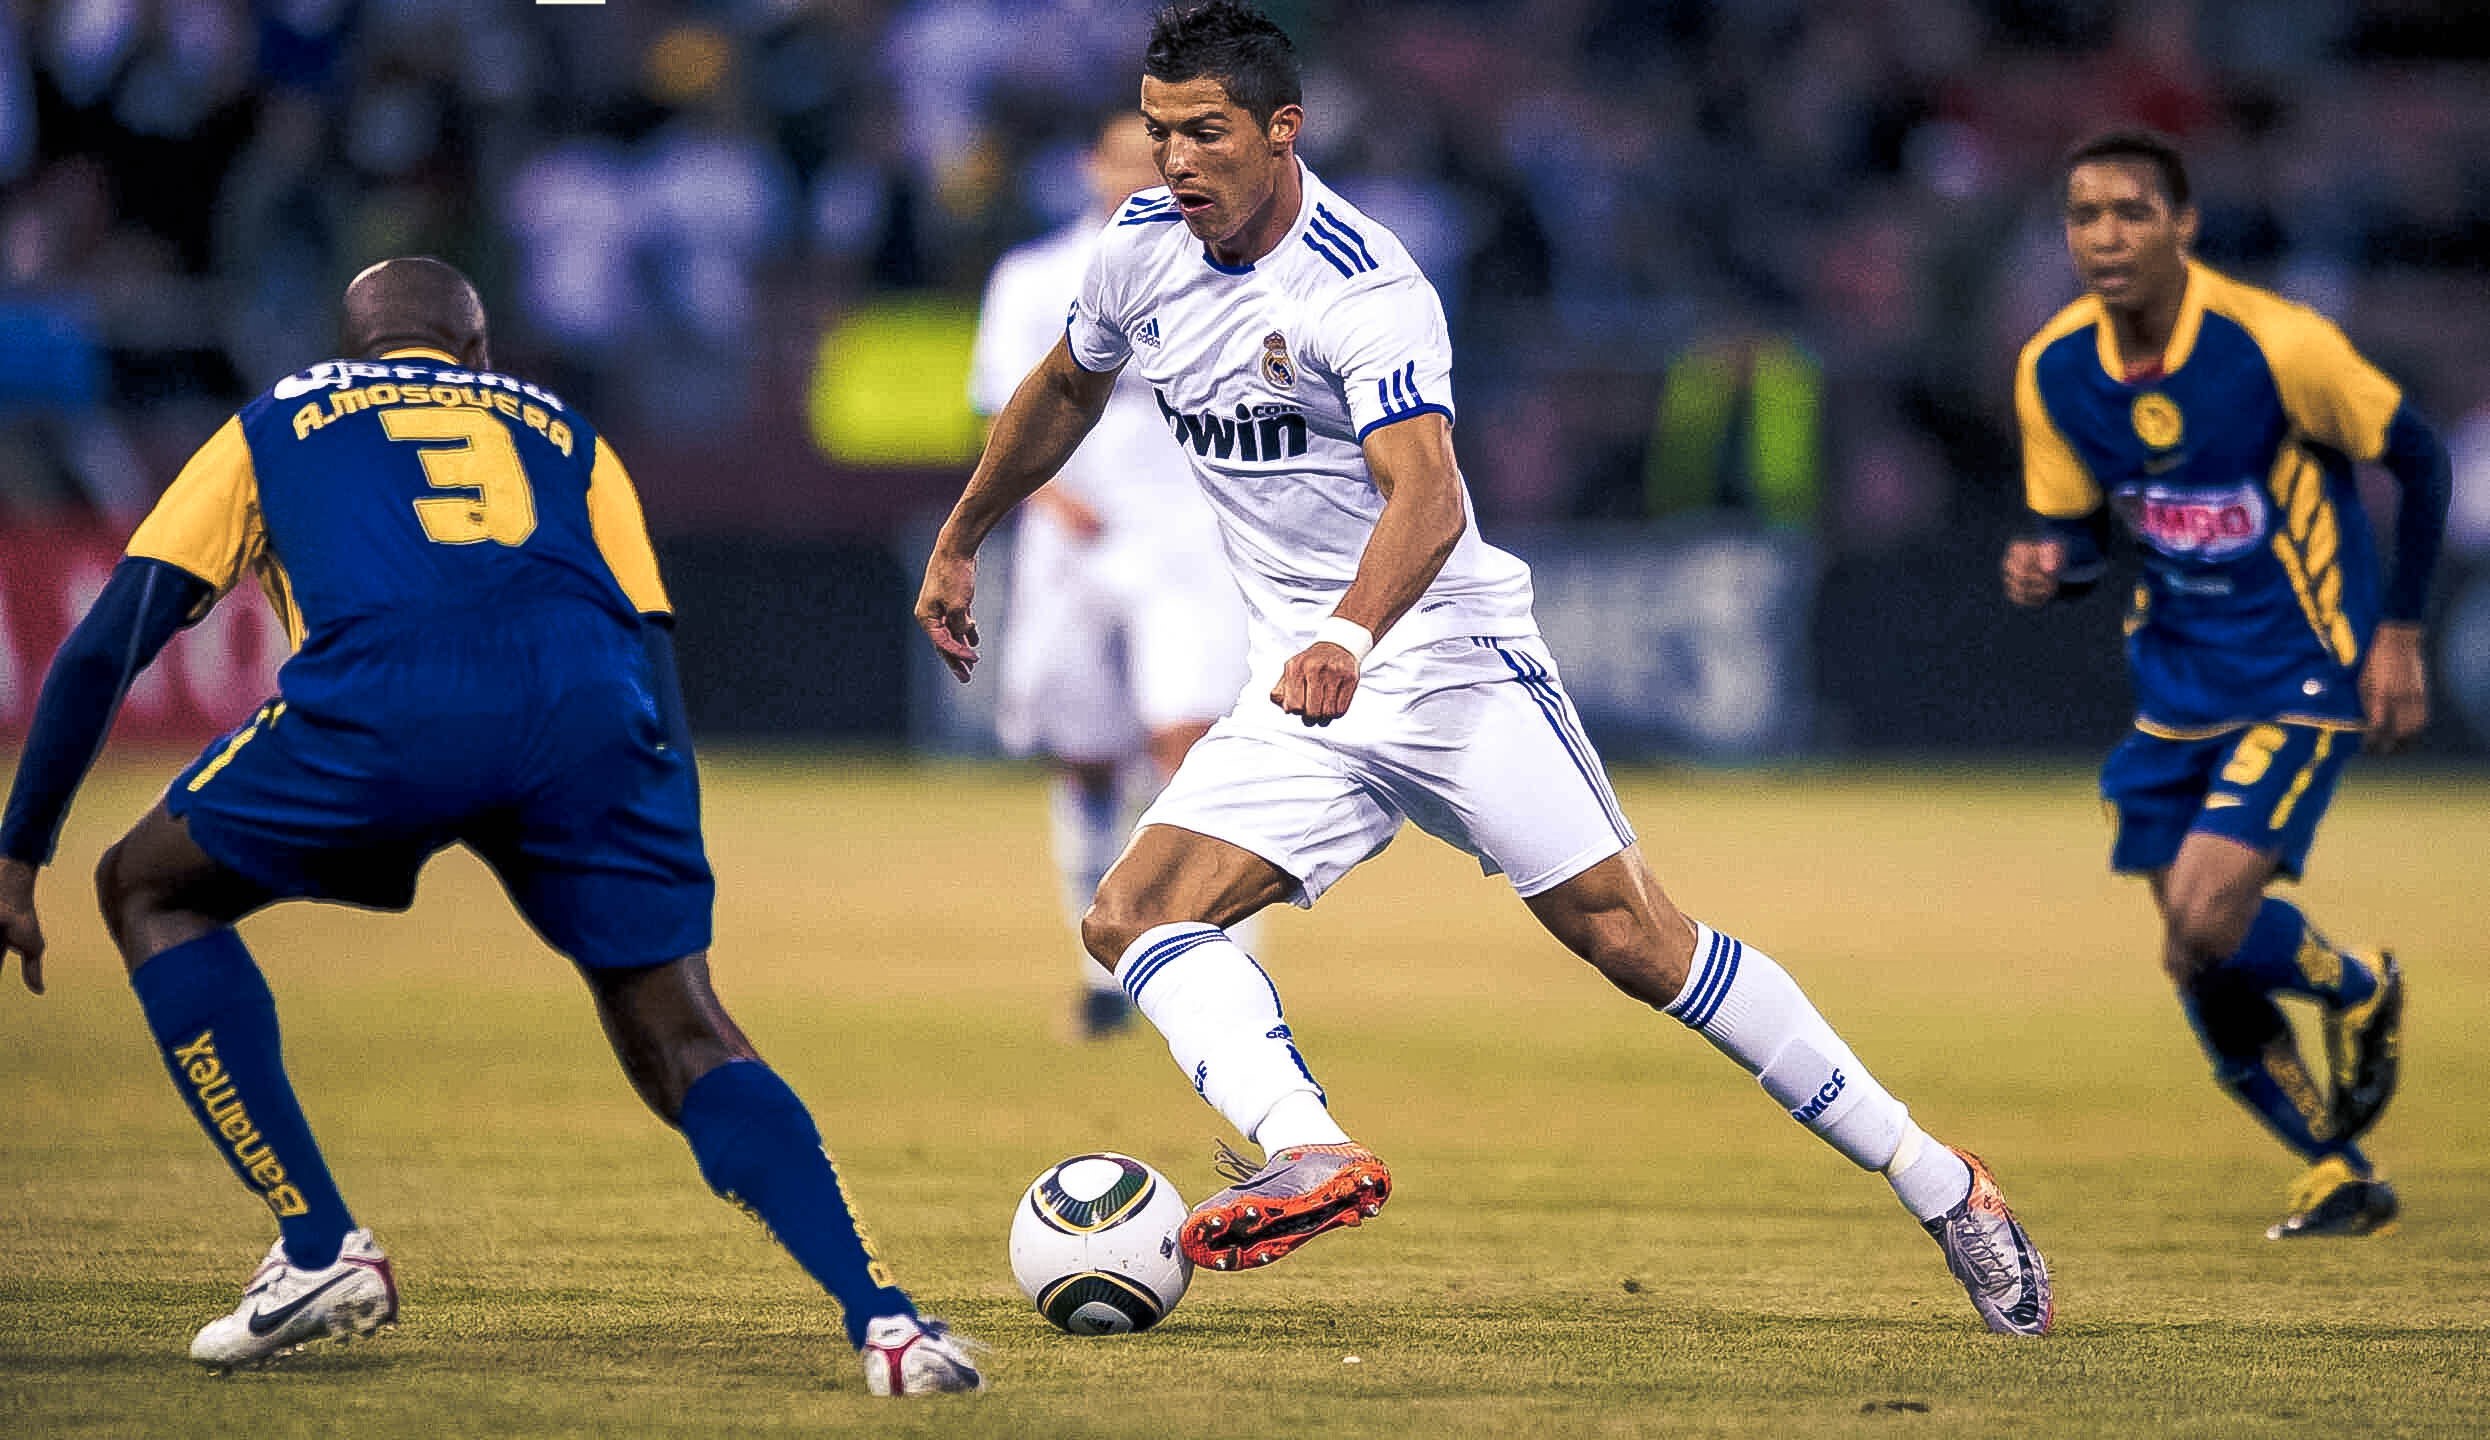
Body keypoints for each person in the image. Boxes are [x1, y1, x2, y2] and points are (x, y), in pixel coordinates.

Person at [917, 0, 2051, 1336]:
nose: (1174, 161)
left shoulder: (1363, 284)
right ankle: (1312, 1149)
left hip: (1443, 661)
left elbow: (1428, 496)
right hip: (1298, 681)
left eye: (1203, 133)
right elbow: (1059, 388)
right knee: (1130, 918)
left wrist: (1349, 637)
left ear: (1281, 132)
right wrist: (960, 542)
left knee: (1639, 944)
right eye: (1159, 132)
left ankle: (1943, 1184)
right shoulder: (1139, 250)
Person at [0, 259, 982, 1395]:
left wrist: (22, 850)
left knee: (146, 884)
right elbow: (650, 639)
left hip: (383, 708)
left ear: (352, 348)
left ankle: (320, 1246)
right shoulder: (566, 430)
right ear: (475, 352)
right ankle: (891, 1326)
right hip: (587, 717)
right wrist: (669, 841)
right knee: (682, 1029)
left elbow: (106, 641)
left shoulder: (272, 421)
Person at [2003, 130, 2450, 1239]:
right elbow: (2085, 534)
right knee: (2190, 953)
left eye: (2132, 212)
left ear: (2185, 224)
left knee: (2205, 916)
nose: (2105, 237)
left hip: (2302, 668)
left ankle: (2355, 983)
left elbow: (2421, 457)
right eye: (2083, 215)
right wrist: (2053, 569)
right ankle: (2338, 1169)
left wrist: (2398, 633)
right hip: (2173, 683)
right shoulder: (2054, 368)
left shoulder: (2274, 345)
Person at [968, 107, 1253, 1040]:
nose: (1142, 176)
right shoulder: (1035, 276)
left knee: (1190, 749)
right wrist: (1046, 499)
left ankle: (1215, 966)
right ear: (1089, 168)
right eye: (1126, 160)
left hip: (1190, 541)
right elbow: (1001, 409)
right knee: (1086, 758)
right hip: (1072, 550)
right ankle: (1095, 966)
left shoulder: (1229, 273)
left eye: (1160, 162)